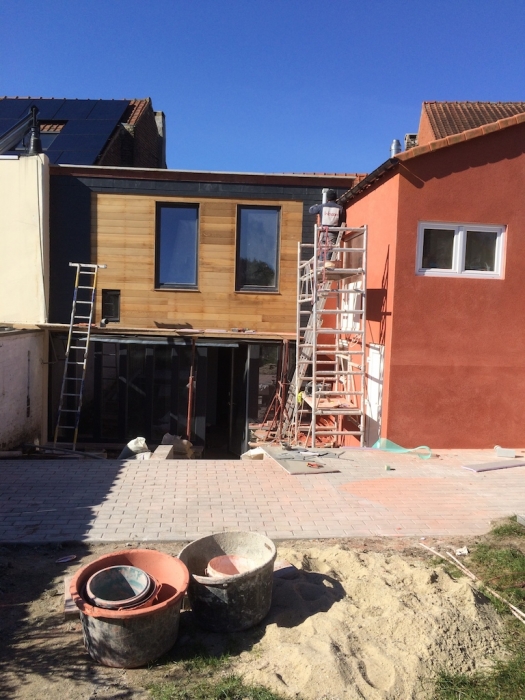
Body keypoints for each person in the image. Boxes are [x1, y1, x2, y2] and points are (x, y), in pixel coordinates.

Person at [309, 190, 345, 266]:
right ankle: (326, 265)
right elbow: (342, 221)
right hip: (333, 233)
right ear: (336, 198)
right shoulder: (340, 208)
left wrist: (316, 205)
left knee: (322, 249)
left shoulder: (322, 207)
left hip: (323, 233)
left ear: (327, 198)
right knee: (330, 249)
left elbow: (311, 210)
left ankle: (321, 266)